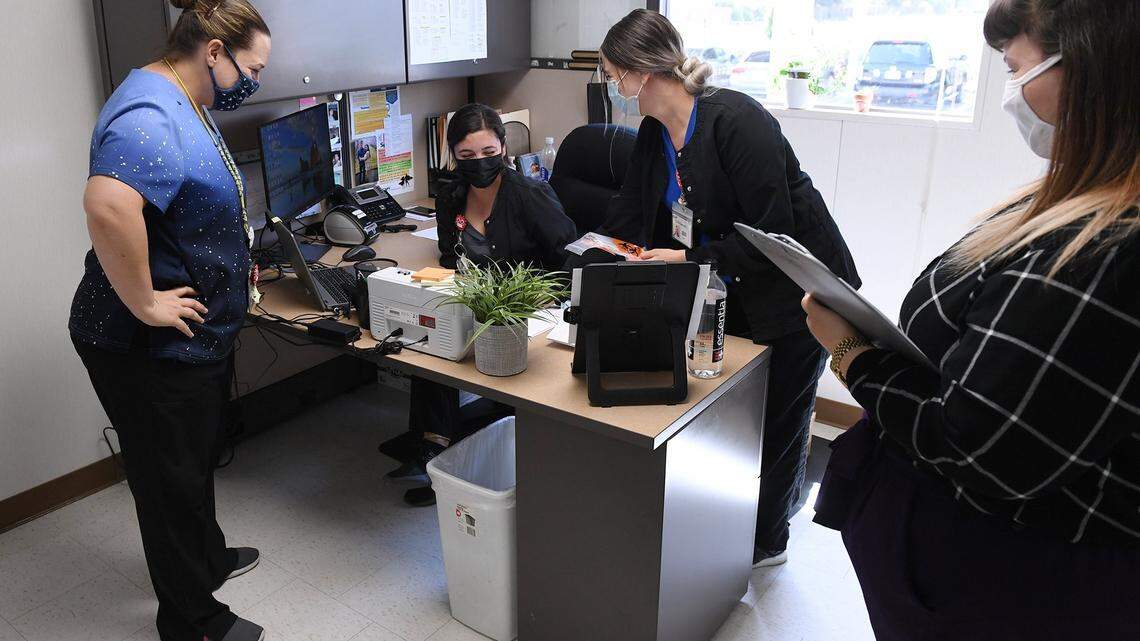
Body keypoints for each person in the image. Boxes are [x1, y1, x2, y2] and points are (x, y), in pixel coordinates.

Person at [802, 1, 1140, 638]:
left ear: (1093, 67)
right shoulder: (1073, 203)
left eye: (1017, 69)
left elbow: (977, 444)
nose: (1013, 91)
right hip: (951, 560)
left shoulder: (1109, 249)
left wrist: (852, 354)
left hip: (1007, 583)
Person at [596, 9, 860, 567]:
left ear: (640, 73)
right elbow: (634, 208)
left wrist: (690, 255)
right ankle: (728, 525)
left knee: (778, 419)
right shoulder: (653, 133)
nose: (609, 85)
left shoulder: (737, 120)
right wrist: (597, 250)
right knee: (730, 413)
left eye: (610, 72)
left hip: (797, 291)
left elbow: (775, 233)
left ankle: (768, 541)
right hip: (727, 286)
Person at [68, 1, 271, 639]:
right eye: (251, 70)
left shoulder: (184, 98)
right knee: (168, 480)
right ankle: (191, 620)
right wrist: (146, 302)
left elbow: (183, 206)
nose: (251, 84)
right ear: (214, 51)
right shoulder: (149, 110)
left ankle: (204, 558)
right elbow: (108, 205)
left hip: (190, 338)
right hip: (143, 346)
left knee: (193, 459)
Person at [388, 103, 578, 506]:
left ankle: (451, 457)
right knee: (430, 334)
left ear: (504, 148)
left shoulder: (530, 195)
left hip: (527, 310)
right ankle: (434, 449)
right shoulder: (451, 194)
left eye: (489, 153)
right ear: (453, 156)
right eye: (467, 156)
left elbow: (570, 260)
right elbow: (448, 256)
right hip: (473, 301)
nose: (479, 164)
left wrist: (540, 294)